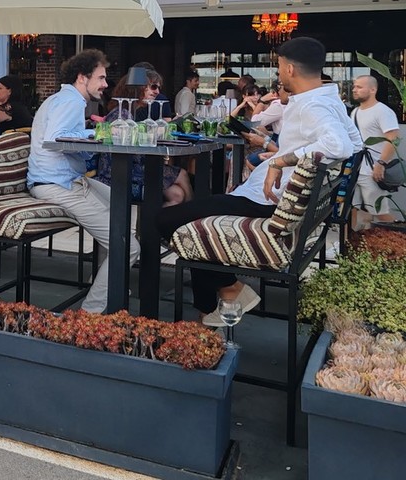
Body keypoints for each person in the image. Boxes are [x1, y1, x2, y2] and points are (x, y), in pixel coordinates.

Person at [157, 37, 361, 326]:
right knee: (196, 215)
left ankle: (229, 289)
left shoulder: (312, 105)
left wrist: (280, 161)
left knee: (163, 220)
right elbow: (356, 144)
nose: (278, 74)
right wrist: (280, 155)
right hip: (272, 198)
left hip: (265, 202)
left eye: (278, 68)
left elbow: (339, 145)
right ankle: (212, 306)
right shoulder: (328, 99)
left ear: (290, 69)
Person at [27, 49, 140, 314]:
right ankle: (90, 313)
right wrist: (97, 134)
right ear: (82, 77)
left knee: (120, 206)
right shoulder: (71, 101)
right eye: (100, 78)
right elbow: (55, 139)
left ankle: (107, 280)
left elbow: (67, 143)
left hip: (65, 180)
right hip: (56, 186)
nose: (105, 84)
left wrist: (91, 134)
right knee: (128, 247)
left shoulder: (64, 99)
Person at [99, 70, 192, 205]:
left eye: (158, 88)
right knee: (182, 174)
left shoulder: (131, 113)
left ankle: (162, 219)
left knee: (177, 194)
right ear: (138, 87)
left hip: (132, 168)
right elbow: (128, 151)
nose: (157, 92)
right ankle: (193, 216)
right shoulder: (121, 114)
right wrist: (152, 136)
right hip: (118, 173)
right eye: (153, 87)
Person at [349, 75, 400, 229]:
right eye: (354, 86)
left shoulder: (382, 111)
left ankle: (398, 237)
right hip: (356, 169)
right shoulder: (355, 112)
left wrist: (381, 163)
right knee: (351, 209)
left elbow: (394, 138)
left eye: (359, 87)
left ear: (373, 90)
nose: (354, 90)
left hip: (373, 172)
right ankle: (351, 240)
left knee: (380, 212)